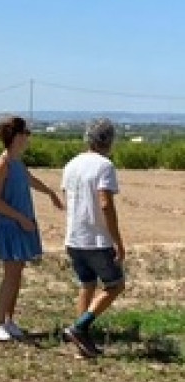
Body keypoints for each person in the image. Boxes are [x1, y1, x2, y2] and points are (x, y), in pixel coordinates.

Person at [0, 116, 63, 342]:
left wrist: (50, 193)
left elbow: (30, 180)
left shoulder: (17, 162)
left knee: (17, 275)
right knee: (10, 276)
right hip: (9, 226)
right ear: (18, 136)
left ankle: (9, 320)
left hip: (23, 224)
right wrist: (20, 218)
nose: (28, 138)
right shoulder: (1, 164)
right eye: (26, 134)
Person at [60, 118, 125, 358]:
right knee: (115, 285)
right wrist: (117, 240)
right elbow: (105, 204)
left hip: (73, 237)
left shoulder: (70, 165)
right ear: (108, 141)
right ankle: (80, 327)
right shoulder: (104, 166)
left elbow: (69, 198)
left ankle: (80, 343)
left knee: (87, 285)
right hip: (96, 239)